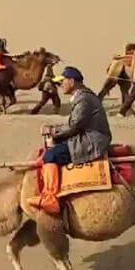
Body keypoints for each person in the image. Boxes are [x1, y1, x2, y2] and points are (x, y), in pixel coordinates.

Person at [28, 67, 112, 214]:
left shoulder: (84, 99)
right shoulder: (82, 97)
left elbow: (75, 126)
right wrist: (54, 130)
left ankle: (51, 198)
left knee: (50, 156)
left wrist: (53, 132)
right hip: (86, 135)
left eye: (62, 82)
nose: (60, 86)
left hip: (91, 141)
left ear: (72, 81)